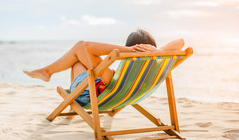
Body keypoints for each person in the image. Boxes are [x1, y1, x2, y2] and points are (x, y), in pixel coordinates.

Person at [23, 29, 184, 106]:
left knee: (79, 55)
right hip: (126, 94)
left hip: (87, 97)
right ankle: (47, 72)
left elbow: (84, 47)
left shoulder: (118, 79)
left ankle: (47, 72)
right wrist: (159, 51)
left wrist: (128, 51)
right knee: (80, 56)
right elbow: (181, 41)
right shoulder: (155, 65)